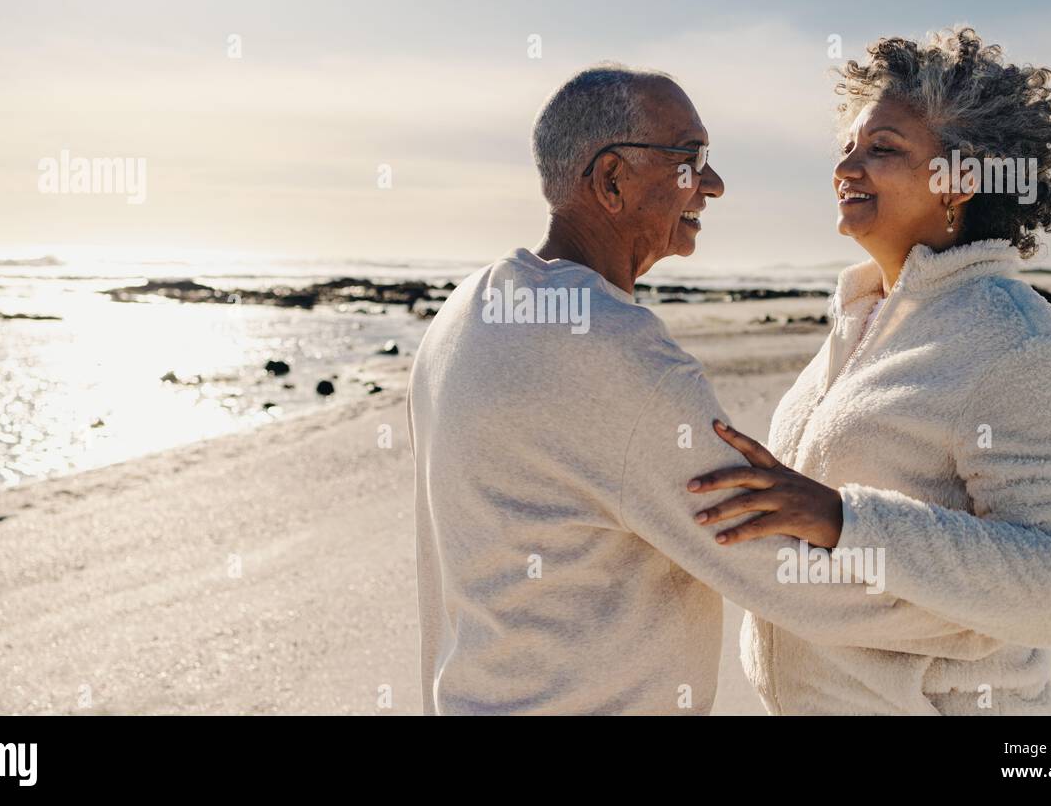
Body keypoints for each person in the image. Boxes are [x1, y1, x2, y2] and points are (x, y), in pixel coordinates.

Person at [409, 63, 995, 715]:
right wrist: (992, 619)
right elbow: (787, 575)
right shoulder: (617, 359)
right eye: (691, 159)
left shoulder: (464, 312)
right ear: (611, 180)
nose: (712, 184)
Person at [688, 28, 1051, 714]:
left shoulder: (1015, 340)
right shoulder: (864, 316)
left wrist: (846, 519)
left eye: (882, 149)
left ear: (958, 183)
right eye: (848, 148)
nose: (847, 168)